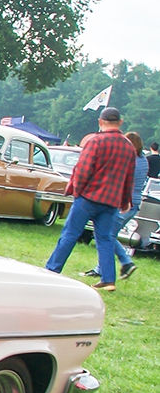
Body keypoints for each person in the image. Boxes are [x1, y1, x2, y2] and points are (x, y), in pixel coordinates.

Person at [44, 106, 136, 292]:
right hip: (111, 201)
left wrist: (77, 190)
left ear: (100, 122)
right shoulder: (129, 147)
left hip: (88, 197)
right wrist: (126, 201)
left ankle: (52, 270)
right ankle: (109, 279)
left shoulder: (96, 142)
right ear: (120, 122)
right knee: (105, 239)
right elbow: (129, 177)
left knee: (70, 234)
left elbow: (83, 170)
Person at [80, 131, 147, 281]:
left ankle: (125, 262)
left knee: (105, 235)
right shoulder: (143, 160)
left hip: (125, 202)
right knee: (107, 235)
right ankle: (102, 268)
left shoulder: (131, 161)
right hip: (135, 203)